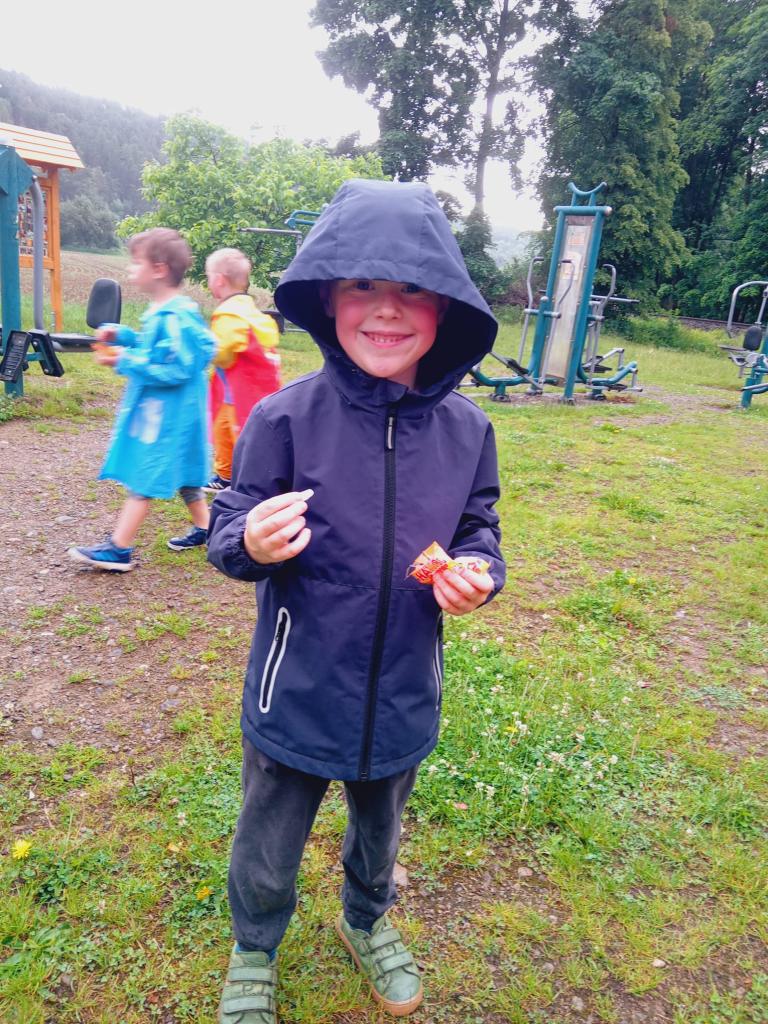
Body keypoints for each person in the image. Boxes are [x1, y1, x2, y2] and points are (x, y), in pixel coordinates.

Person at [207, 178, 505, 1023]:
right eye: (363, 284)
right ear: (327, 297)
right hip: (297, 688)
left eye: (413, 287)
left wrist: (478, 572)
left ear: (446, 307)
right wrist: (249, 540)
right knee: (270, 833)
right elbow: (230, 521)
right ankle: (254, 945)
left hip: (405, 685)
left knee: (381, 827)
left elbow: (479, 528)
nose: (386, 309)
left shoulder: (469, 431)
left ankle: (366, 918)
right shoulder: (284, 418)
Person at [68, 228, 215, 571]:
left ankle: (119, 549)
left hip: (171, 416)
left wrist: (125, 360)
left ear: (159, 269)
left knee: (145, 478)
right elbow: (156, 350)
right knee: (187, 475)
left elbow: (178, 368)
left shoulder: (176, 317)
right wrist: (123, 336)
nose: (130, 269)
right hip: (170, 413)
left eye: (136, 262)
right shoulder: (164, 311)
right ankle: (209, 528)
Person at [205, 248, 282, 492]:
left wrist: (203, 348)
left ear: (219, 280)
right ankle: (226, 476)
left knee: (235, 435)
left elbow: (223, 354)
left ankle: (243, 481)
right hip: (252, 390)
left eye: (209, 277)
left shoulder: (229, 314)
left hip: (240, 394)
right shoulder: (250, 310)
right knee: (227, 432)